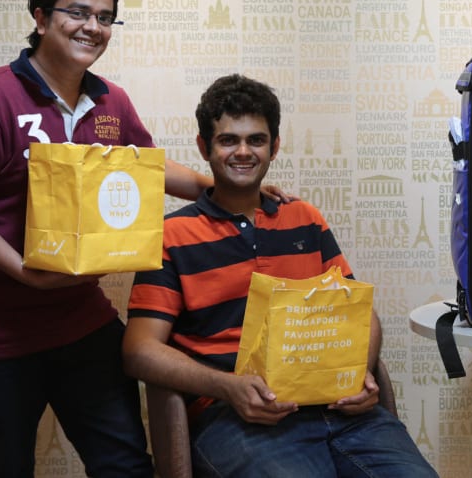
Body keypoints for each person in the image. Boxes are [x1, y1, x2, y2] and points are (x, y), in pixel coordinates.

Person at [0, 0, 289, 478]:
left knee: (124, 464)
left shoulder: (110, 101)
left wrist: (228, 186)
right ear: (41, 17)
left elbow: (150, 166)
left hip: (79, 319)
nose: (92, 26)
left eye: (105, 17)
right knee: (7, 466)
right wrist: (24, 271)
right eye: (78, 12)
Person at [123, 74, 438, 478]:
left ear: (275, 146)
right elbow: (139, 351)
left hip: (337, 408)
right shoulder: (171, 236)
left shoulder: (304, 219)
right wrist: (228, 387)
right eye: (228, 140)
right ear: (204, 147)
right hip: (235, 418)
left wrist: (360, 367)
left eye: (256, 140)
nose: (243, 151)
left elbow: (360, 314)